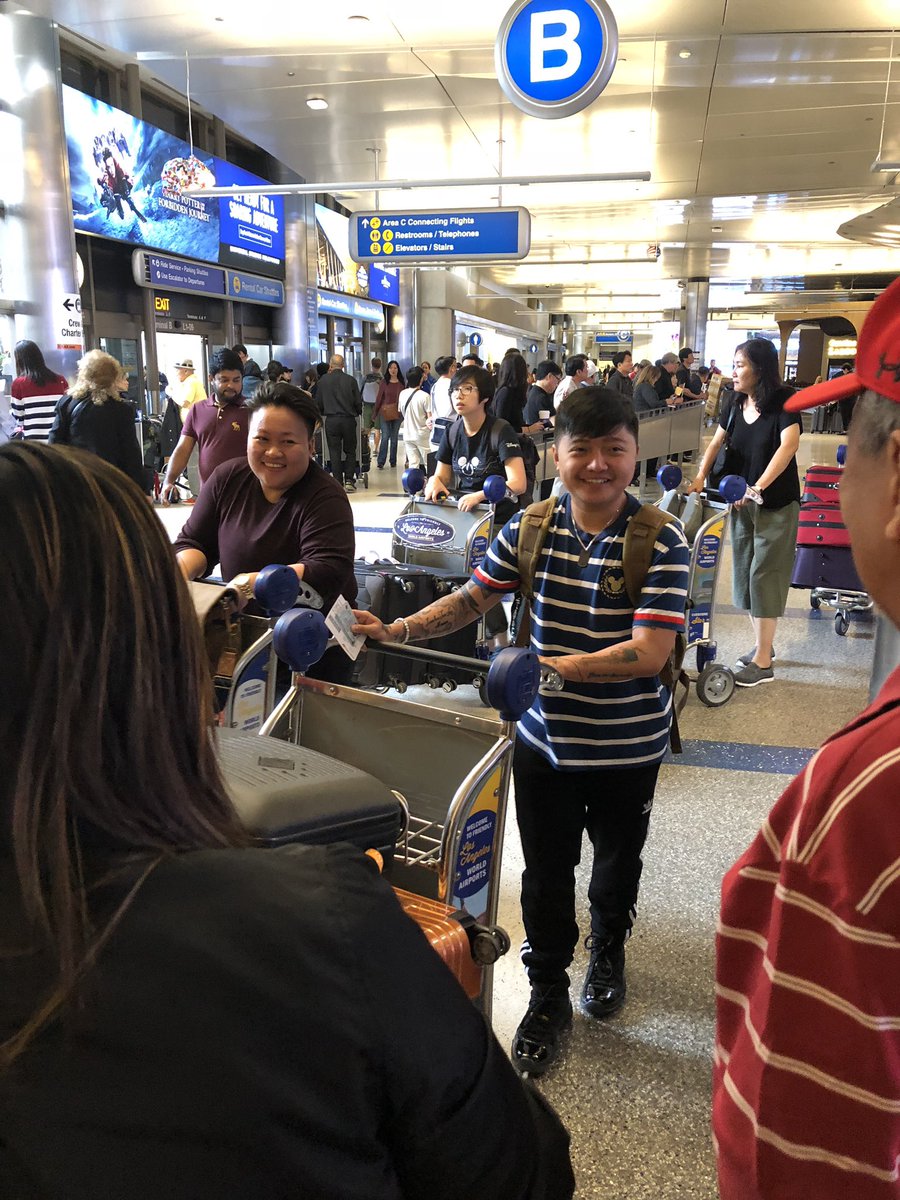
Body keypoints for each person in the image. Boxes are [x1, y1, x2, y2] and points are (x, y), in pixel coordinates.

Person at [0, 440, 575, 1200]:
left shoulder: (326, 501)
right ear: (150, 653)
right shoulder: (319, 927)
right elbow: (520, 1172)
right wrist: (397, 634)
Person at [355, 390, 690, 1078]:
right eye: (581, 451)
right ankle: (546, 994)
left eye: (614, 451)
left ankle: (608, 952)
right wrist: (393, 630)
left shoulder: (662, 539)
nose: (598, 465)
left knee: (616, 867)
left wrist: (543, 667)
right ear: (555, 457)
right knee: (543, 876)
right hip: (543, 746)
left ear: (634, 453)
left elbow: (650, 652)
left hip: (627, 748)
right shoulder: (531, 526)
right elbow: (473, 598)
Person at [713, 276, 900, 1200]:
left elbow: (791, 1136)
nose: (843, 474)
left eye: (852, 447)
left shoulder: (869, 793)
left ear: (896, 471)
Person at [172, 382, 356, 685]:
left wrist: (255, 583)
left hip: (312, 647)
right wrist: (178, 573)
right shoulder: (227, 478)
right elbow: (195, 541)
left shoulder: (325, 496)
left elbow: (328, 567)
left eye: (288, 442)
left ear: (310, 445)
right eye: (262, 438)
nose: (273, 452)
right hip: (248, 638)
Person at [690, 338, 801, 687]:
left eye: (740, 364)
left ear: (760, 368)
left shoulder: (784, 401)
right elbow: (716, 441)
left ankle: (764, 659)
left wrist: (758, 488)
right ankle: (760, 647)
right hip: (738, 501)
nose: (734, 370)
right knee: (745, 574)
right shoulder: (735, 401)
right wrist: (699, 477)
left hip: (774, 503)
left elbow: (789, 446)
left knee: (764, 574)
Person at [426, 365, 525, 525]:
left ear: (485, 396)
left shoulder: (501, 430)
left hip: (499, 521)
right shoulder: (452, 431)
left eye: (467, 389)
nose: (459, 395)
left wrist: (479, 496)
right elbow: (443, 475)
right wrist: (434, 481)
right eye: (455, 390)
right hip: (465, 516)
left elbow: (519, 483)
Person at [46, 349, 146, 493]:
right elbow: (130, 452)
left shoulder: (66, 403)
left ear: (83, 375)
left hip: (76, 481)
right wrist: (141, 489)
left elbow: (54, 443)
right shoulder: (122, 410)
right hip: (111, 483)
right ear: (113, 378)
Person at [161, 348, 250, 501]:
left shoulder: (251, 410)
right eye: (224, 380)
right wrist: (168, 481)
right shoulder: (198, 410)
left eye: (236, 380)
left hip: (243, 497)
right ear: (211, 378)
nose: (231, 385)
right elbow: (183, 449)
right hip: (208, 498)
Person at [313, 353, 362, 491]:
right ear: (343, 365)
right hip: (348, 420)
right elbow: (358, 403)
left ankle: (337, 482)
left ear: (330, 365)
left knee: (334, 451)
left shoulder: (323, 381)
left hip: (331, 420)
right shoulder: (351, 380)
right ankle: (349, 481)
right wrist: (357, 411)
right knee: (350, 450)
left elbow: (319, 404)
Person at [10, 340, 69, 442]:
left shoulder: (18, 384)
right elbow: (66, 410)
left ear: (19, 361)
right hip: (58, 440)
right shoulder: (61, 380)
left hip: (33, 443)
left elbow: (19, 418)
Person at [426, 354, 458, 475]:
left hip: (436, 431)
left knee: (437, 467)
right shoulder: (452, 385)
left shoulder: (435, 385)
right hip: (451, 429)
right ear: (452, 368)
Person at [374, 360, 405, 470]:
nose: (393, 370)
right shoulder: (384, 382)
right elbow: (379, 398)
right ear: (388, 369)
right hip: (385, 412)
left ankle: (393, 460)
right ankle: (381, 461)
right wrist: (375, 413)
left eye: (395, 368)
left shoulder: (402, 383)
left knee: (394, 437)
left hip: (398, 413)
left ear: (398, 369)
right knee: (385, 436)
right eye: (391, 368)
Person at [399, 365, 431, 469]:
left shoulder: (402, 393)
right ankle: (430, 484)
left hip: (407, 433)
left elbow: (401, 411)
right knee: (428, 463)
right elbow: (430, 418)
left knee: (413, 464)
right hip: (422, 433)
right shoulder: (425, 396)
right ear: (421, 379)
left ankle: (413, 484)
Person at [524, 360, 563, 425]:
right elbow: (551, 423)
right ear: (549, 376)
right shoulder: (541, 398)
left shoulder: (532, 391)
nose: (557, 384)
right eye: (557, 379)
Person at [172, 357, 207, 423]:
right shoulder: (192, 381)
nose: (176, 373)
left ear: (186, 371)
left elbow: (184, 403)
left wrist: (172, 394)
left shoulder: (191, 382)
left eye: (178, 370)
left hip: (195, 422)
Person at [361, 357, 383, 455]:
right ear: (380, 365)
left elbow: (360, 390)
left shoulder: (366, 377)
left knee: (367, 428)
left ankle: (366, 447)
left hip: (367, 405)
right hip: (378, 406)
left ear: (371, 364)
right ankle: (376, 449)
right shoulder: (382, 378)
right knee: (377, 429)